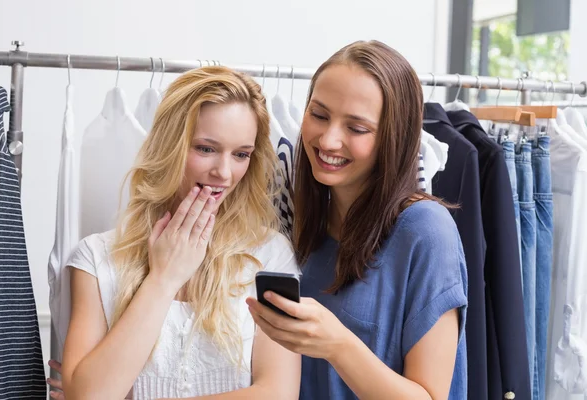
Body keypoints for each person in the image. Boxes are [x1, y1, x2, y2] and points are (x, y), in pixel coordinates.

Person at [56, 66, 301, 399]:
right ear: (169, 145)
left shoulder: (270, 253)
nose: (224, 172)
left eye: (241, 154)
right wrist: (163, 279)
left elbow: (278, 393)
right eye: (205, 148)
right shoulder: (96, 259)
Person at [246, 40, 469, 399]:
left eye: (357, 128)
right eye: (319, 115)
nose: (329, 139)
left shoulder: (426, 231)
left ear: (392, 138)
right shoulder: (299, 219)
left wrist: (337, 345)